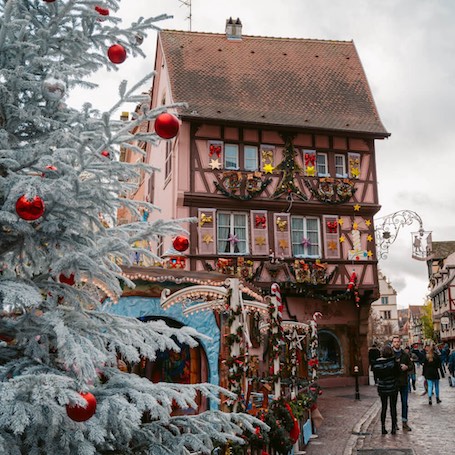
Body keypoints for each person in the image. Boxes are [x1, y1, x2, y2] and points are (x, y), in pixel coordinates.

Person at [372, 345, 400, 435]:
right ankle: (393, 427)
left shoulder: (376, 363)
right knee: (393, 407)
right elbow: (397, 373)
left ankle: (383, 427)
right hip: (392, 386)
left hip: (382, 387)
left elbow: (376, 377)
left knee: (384, 407)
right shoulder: (394, 362)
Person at [391, 335, 412, 431]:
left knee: (404, 403)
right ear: (393, 343)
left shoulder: (405, 354)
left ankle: (404, 422)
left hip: (404, 382)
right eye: (395, 342)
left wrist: (407, 367)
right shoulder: (390, 354)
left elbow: (411, 366)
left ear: (400, 342)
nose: (396, 343)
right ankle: (394, 424)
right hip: (394, 382)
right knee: (393, 404)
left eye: (398, 341)